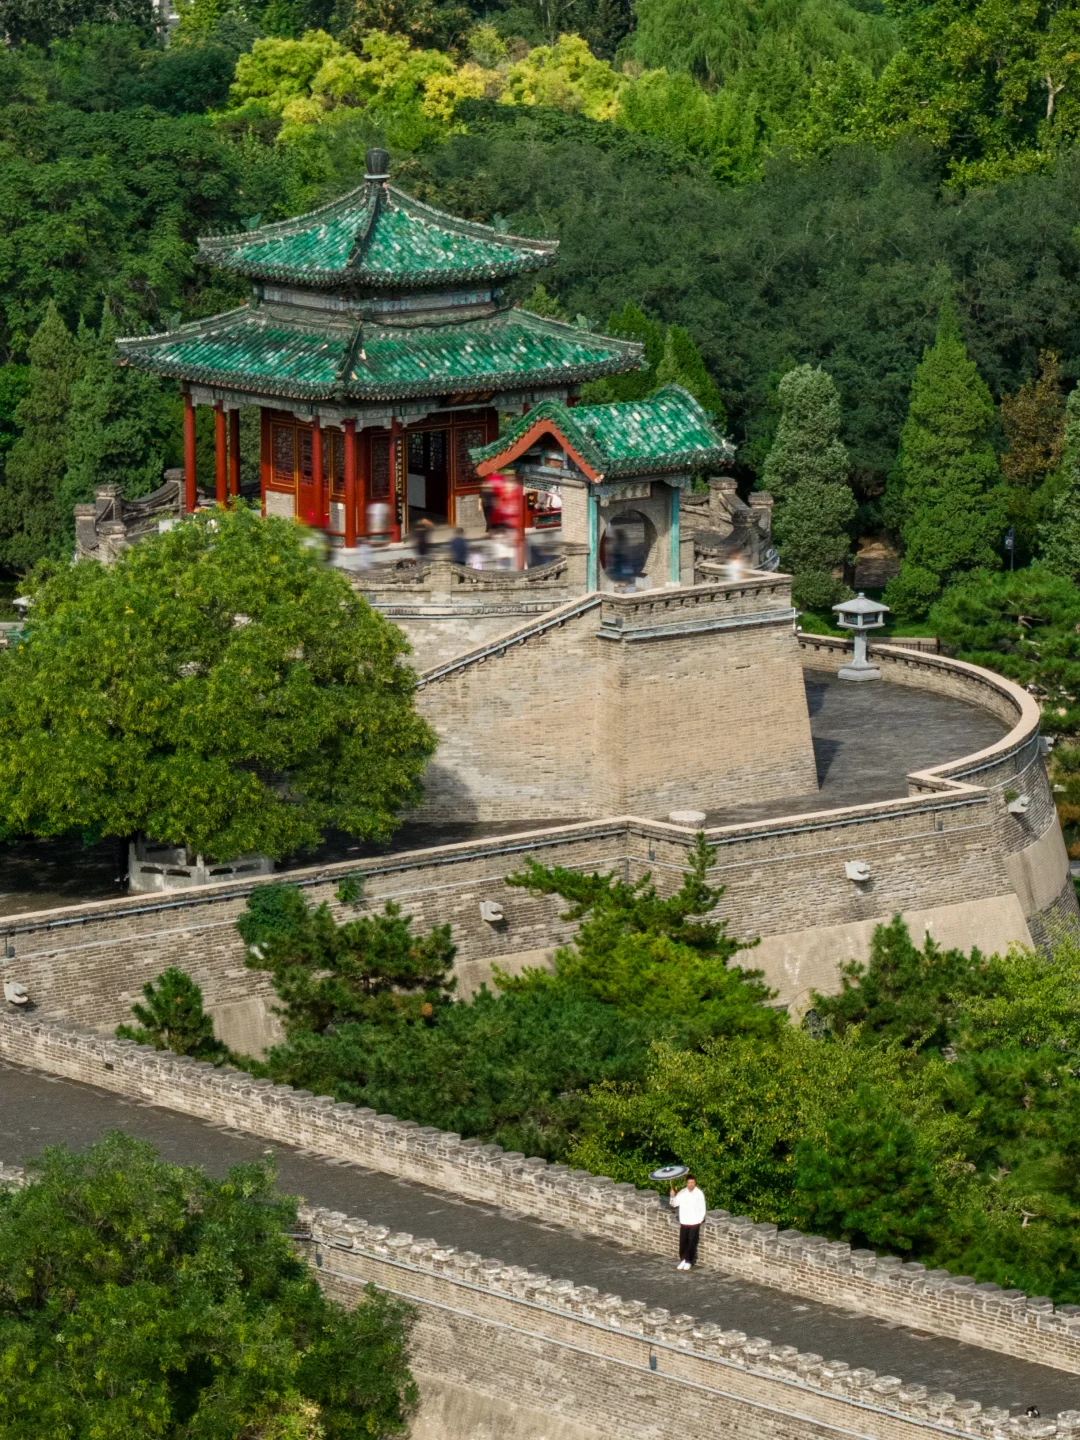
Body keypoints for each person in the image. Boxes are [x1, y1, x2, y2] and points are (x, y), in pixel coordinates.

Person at [669, 1175, 706, 1270]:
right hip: (684, 1221)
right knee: (683, 1241)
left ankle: (689, 1260)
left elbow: (702, 1208)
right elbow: (674, 1204)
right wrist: (672, 1196)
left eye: (692, 1182)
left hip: (694, 1221)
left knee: (691, 1241)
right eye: (689, 1183)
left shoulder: (699, 1193)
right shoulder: (682, 1192)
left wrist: (699, 1220)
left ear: (695, 1183)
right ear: (686, 1183)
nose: (691, 1184)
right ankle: (683, 1259)